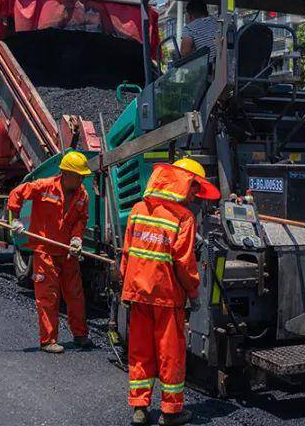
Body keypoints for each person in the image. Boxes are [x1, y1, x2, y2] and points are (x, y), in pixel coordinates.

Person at [121, 157, 220, 426]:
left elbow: (127, 254)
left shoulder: (138, 209)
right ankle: (170, 411)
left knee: (140, 351)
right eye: (193, 188)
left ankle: (140, 408)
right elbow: (184, 262)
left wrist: (127, 286)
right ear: (180, 183)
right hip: (167, 297)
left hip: (138, 294)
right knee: (169, 354)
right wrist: (194, 293)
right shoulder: (184, 218)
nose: (194, 195)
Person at [7, 150, 93, 353]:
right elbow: (16, 194)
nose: (81, 179)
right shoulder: (44, 186)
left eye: (83, 176)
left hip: (68, 251)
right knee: (48, 295)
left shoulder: (82, 195)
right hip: (45, 250)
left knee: (75, 295)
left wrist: (76, 238)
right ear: (65, 173)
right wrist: (16, 218)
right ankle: (48, 340)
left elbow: (81, 219)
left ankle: (80, 335)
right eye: (78, 175)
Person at [179, 0, 219, 64]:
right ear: (206, 12)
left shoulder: (189, 28)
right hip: (223, 66)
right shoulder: (218, 23)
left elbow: (184, 53)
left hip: (207, 69)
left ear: (190, 15)